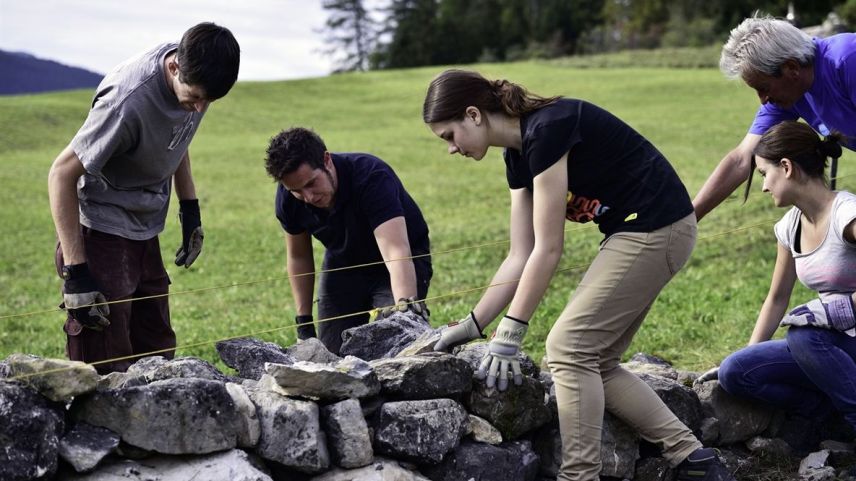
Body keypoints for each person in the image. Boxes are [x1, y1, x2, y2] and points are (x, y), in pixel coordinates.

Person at [423, 69, 734, 481]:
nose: (451, 149)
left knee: (568, 349)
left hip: (658, 227)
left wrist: (512, 333)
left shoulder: (549, 129)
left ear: (474, 115)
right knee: (595, 360)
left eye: (449, 135)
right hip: (638, 230)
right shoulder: (516, 156)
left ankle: (579, 476)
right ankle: (696, 460)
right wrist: (473, 325)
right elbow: (521, 253)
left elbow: (549, 249)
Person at [47, 22, 240, 374]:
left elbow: (178, 137)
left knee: (157, 353)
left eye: (208, 101)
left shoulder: (199, 79)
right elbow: (61, 173)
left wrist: (190, 210)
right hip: (101, 232)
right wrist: (77, 273)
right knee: (106, 361)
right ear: (173, 68)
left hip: (145, 229)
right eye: (195, 98)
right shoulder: (126, 101)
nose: (199, 109)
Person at [699, 121, 856, 432]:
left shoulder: (846, 215)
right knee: (736, 371)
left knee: (803, 334)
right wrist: (749, 353)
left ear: (785, 167)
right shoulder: (789, 227)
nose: (763, 186)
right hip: (831, 346)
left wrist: (844, 307)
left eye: (763, 174)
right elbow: (777, 298)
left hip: (838, 340)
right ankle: (829, 418)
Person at [264, 127, 432, 355]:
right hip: (344, 263)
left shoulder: (371, 176)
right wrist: (303, 323)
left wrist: (406, 312)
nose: (309, 197)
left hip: (399, 261)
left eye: (312, 183)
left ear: (327, 160)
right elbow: (299, 256)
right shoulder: (288, 200)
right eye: (297, 191)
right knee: (332, 354)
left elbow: (396, 252)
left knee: (398, 341)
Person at [693, 14, 856, 222]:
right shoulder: (791, 92)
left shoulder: (848, 61)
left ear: (791, 68)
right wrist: (690, 217)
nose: (763, 100)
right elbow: (741, 159)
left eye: (763, 88)